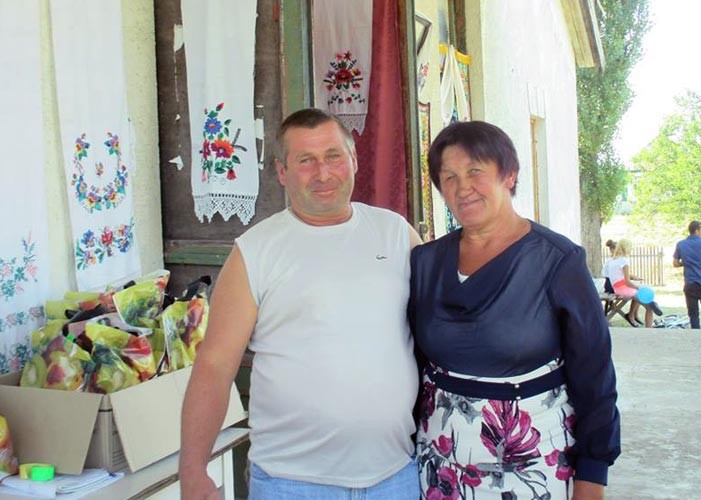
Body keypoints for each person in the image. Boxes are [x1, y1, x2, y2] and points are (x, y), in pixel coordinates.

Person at [179, 108, 422, 500]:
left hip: (394, 477)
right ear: (281, 172)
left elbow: (439, 330)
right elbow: (215, 365)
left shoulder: (395, 234)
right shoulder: (255, 252)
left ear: (354, 160)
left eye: (333, 156)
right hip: (290, 482)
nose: (323, 173)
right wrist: (193, 469)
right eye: (306, 161)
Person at [410, 121, 620, 500]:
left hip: (534, 460)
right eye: (449, 177)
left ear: (509, 175)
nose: (462, 187)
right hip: (440, 459)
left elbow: (595, 373)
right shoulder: (425, 262)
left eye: (475, 171)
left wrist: (593, 473)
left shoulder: (557, 260)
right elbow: (413, 361)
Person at [603, 239, 654, 327]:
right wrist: (639, 288)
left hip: (616, 288)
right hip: (623, 289)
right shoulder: (624, 261)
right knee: (650, 307)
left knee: (640, 295)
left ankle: (632, 315)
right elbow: (628, 282)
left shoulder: (612, 260)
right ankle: (649, 330)